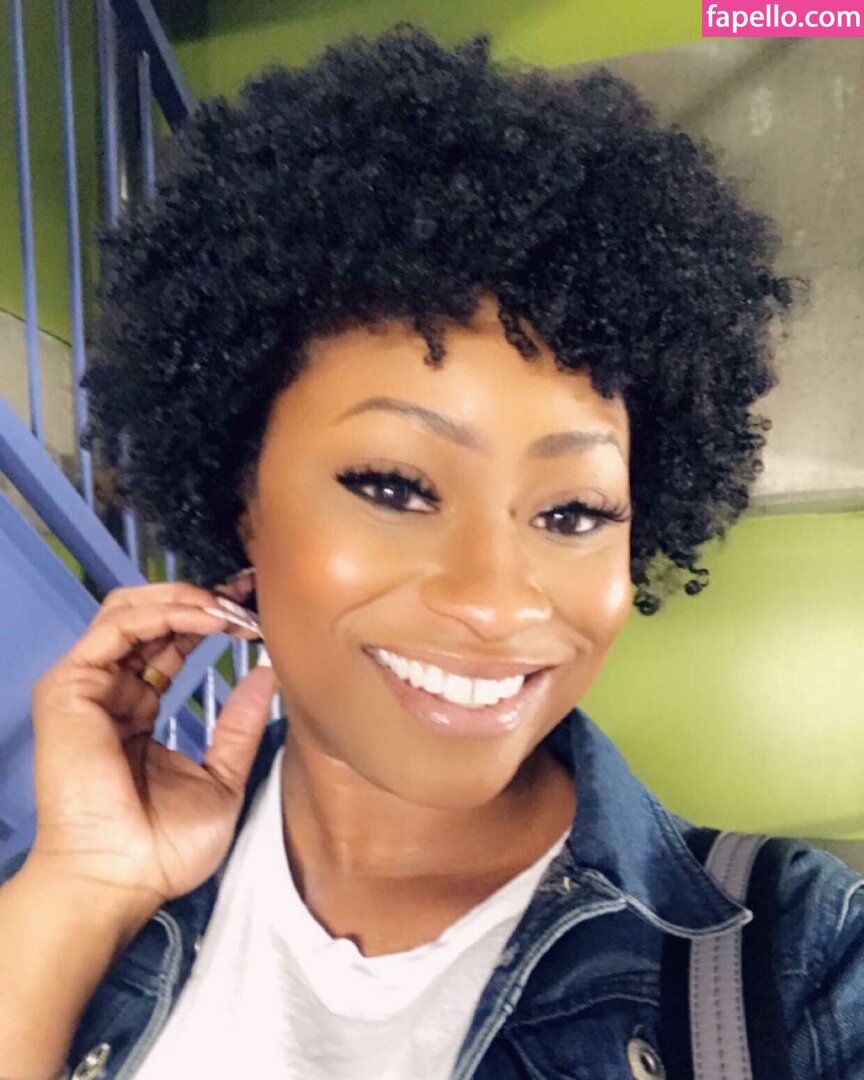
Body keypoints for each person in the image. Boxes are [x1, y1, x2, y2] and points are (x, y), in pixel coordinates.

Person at [0, 24, 861, 1080]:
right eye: (394, 486)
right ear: (242, 499)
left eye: (574, 512)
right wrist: (82, 884)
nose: (495, 602)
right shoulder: (100, 887)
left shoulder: (801, 965)